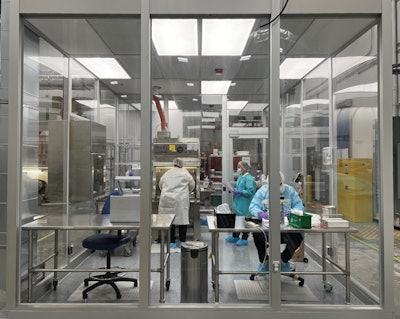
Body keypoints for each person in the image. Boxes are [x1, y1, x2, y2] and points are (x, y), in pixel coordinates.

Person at [248, 171, 304, 273]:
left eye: (279, 183)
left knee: (298, 236)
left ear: (282, 181)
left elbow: (299, 206)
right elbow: (253, 206)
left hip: (287, 229)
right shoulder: (263, 191)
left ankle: (283, 260)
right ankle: (264, 261)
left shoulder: (289, 191)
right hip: (267, 228)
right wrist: (260, 213)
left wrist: (291, 212)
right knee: (257, 234)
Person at [158, 158, 195, 248]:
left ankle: (171, 242)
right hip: (180, 199)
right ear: (182, 164)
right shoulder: (185, 172)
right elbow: (192, 185)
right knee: (182, 221)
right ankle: (182, 241)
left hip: (167, 199)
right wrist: (187, 192)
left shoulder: (167, 172)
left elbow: (160, 184)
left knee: (170, 222)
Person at [226, 161, 256, 246]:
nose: (238, 169)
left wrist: (240, 192)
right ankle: (235, 236)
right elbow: (239, 187)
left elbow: (250, 192)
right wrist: (233, 190)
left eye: (239, 167)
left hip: (245, 204)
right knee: (237, 221)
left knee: (245, 221)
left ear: (244, 168)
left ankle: (244, 238)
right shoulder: (240, 177)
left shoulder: (249, 178)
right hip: (238, 204)